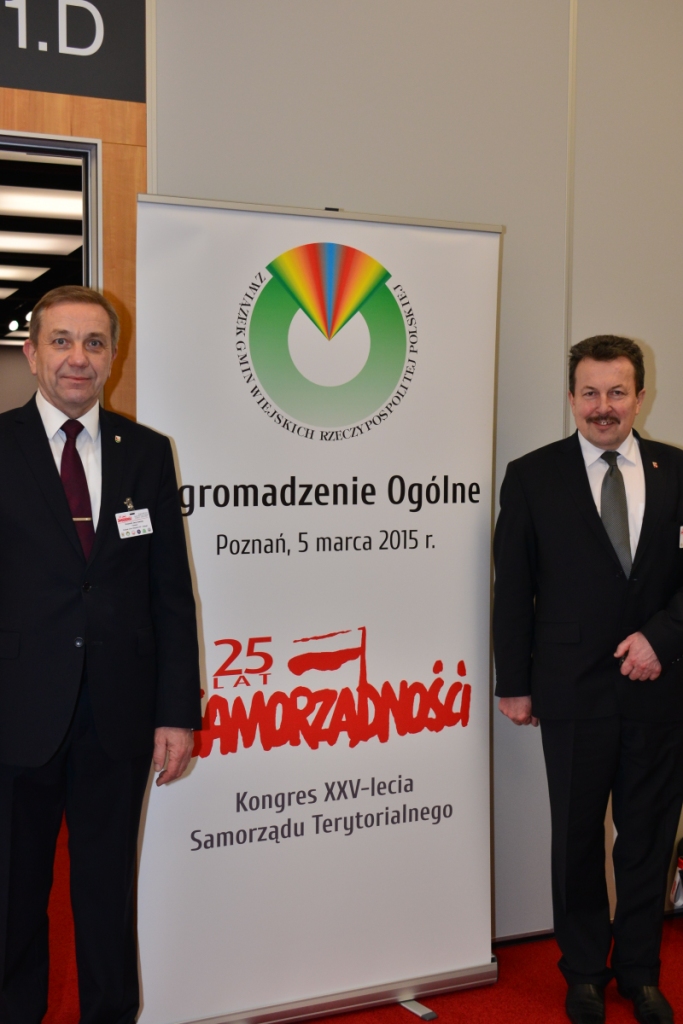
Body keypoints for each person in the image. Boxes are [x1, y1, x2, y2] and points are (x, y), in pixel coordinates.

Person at [0, 285, 201, 1024]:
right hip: (16, 713)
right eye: (61, 341)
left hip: (118, 716)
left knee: (107, 897)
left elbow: (170, 591)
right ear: (32, 354)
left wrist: (177, 712)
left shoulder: (145, 453)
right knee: (12, 900)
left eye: (93, 343)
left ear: (113, 357)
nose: (77, 358)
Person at [493, 335, 683, 1024]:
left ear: (640, 395)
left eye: (617, 392)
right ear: (572, 397)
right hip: (569, 689)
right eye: (591, 392)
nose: (604, 406)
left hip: (660, 686)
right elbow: (513, 588)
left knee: (647, 838)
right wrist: (513, 682)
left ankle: (639, 972)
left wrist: (661, 637)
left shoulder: (677, 471)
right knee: (575, 838)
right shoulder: (531, 475)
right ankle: (582, 972)